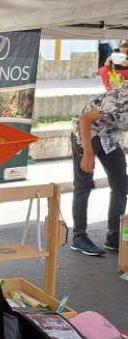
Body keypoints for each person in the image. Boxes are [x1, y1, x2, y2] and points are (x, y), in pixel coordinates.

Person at [69, 86, 128, 256]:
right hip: (87, 134)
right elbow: (84, 120)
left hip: (110, 137)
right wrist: (87, 153)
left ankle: (114, 238)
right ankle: (79, 238)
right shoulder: (119, 102)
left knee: (121, 186)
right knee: (84, 185)